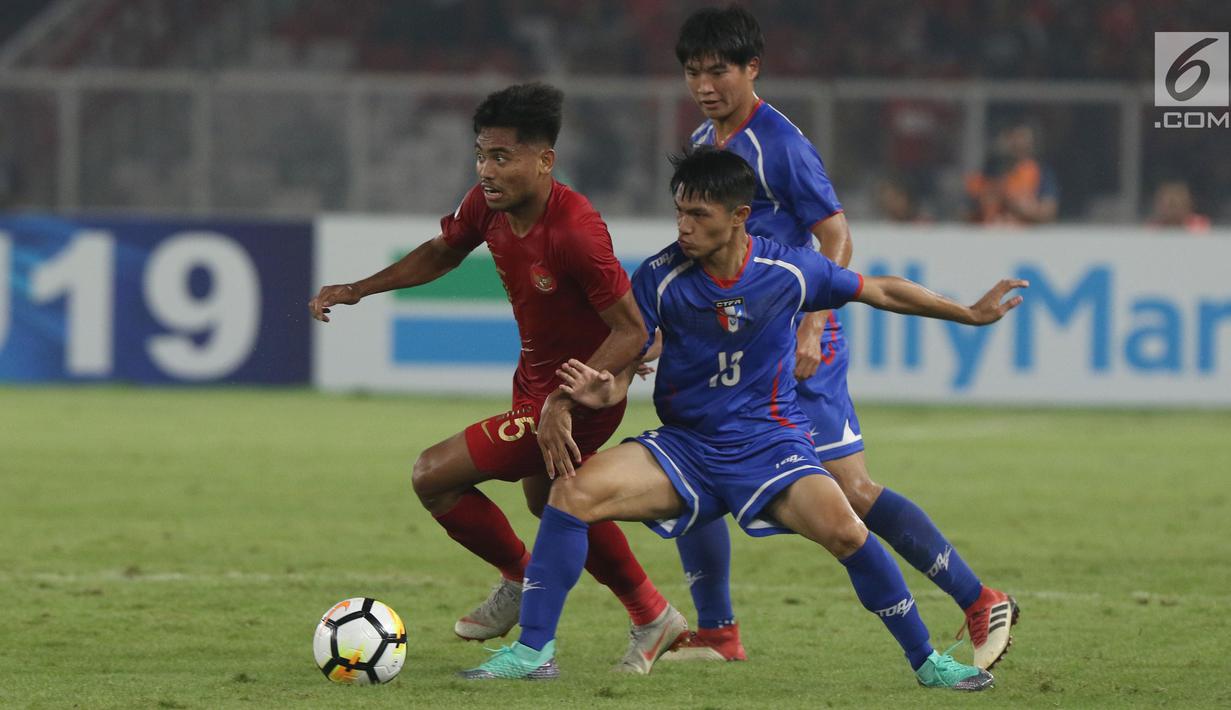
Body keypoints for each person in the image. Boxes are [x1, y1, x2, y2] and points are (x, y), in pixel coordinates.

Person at [460, 147, 1026, 690]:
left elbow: (880, 290)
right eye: (679, 211)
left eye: (698, 215)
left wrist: (968, 313)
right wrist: (599, 390)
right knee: (569, 494)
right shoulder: (660, 275)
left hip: (769, 447)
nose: (683, 227)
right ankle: (533, 653)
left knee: (847, 530)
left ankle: (928, 662)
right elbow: (624, 369)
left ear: (739, 217)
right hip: (686, 447)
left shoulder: (788, 269)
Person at [664, 5, 1020, 670]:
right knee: (694, 460)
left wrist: (813, 323)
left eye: (718, 71)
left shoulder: (779, 144)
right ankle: (717, 630)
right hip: (735, 340)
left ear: (751, 68)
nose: (704, 85)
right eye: (693, 72)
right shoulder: (705, 139)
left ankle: (979, 599)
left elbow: (834, 236)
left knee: (851, 491)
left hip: (793, 338)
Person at [308, 82, 686, 673]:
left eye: (502, 157)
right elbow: (442, 251)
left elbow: (631, 330)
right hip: (532, 380)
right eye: (481, 155)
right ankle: (651, 613)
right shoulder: (488, 203)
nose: (486, 169)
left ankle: (522, 584)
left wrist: (564, 401)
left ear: (545, 160)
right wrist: (360, 288)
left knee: (433, 476)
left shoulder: (576, 231)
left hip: (579, 393)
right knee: (557, 500)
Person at [965, 121, 1059, 225]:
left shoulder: (1042, 172)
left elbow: (1048, 212)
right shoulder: (990, 171)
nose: (1018, 144)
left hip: (1025, 231)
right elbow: (966, 209)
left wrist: (1016, 203)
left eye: (1022, 139)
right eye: (1013, 138)